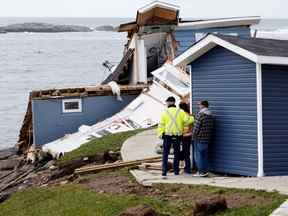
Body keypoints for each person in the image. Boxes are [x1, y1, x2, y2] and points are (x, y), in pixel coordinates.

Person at [158, 96, 194, 178]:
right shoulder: (180, 112)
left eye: (167, 102)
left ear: (170, 102)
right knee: (176, 154)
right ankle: (176, 171)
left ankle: (164, 172)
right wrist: (192, 117)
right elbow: (188, 121)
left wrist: (161, 134)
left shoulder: (165, 112)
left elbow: (161, 125)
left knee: (165, 154)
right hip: (177, 137)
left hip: (167, 136)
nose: (166, 103)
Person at [192, 100, 214, 177]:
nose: (198, 106)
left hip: (199, 139)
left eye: (199, 105)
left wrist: (193, 136)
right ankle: (205, 171)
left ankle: (201, 172)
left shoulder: (200, 115)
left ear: (203, 106)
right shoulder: (210, 115)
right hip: (207, 139)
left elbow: (196, 128)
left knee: (198, 156)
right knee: (204, 156)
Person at [179, 102, 193, 174]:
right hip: (188, 136)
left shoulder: (181, 115)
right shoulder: (190, 115)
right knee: (186, 152)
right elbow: (191, 127)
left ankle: (187, 169)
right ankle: (186, 168)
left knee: (184, 153)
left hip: (182, 136)